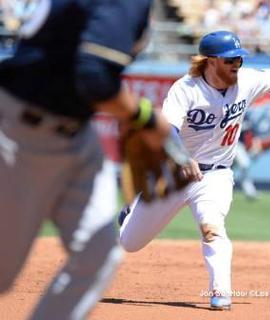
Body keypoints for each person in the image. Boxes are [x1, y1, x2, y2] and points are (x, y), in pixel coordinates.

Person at [118, 30, 270, 310]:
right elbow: (168, 128)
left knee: (212, 227)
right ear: (210, 61)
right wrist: (183, 157)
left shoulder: (247, 80)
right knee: (129, 243)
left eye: (239, 59)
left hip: (216, 175)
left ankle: (220, 291)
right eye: (230, 59)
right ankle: (131, 212)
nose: (237, 64)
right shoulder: (187, 89)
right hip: (174, 174)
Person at [0, 0, 179, 319]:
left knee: (98, 255)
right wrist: (147, 118)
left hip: (76, 132)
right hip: (20, 130)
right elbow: (95, 78)